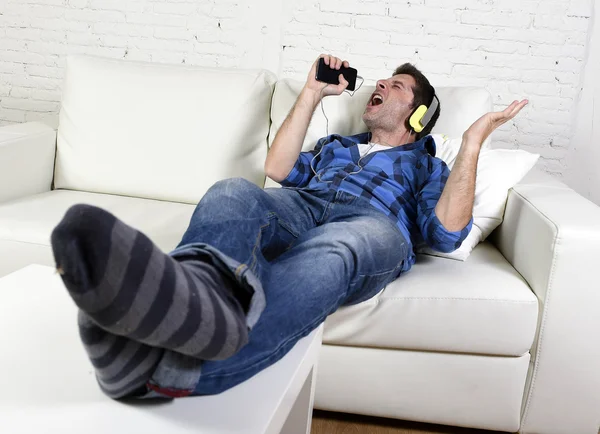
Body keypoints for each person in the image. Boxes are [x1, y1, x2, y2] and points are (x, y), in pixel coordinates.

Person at [50, 54, 528, 400]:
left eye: (397, 85)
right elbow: (278, 170)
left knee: (337, 245)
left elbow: (445, 233)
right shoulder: (337, 145)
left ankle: (166, 370)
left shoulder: (426, 166)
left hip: (371, 224)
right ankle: (196, 299)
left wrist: (470, 144)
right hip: (302, 205)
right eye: (382, 80)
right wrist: (313, 92)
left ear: (419, 115)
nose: (380, 84)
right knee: (232, 191)